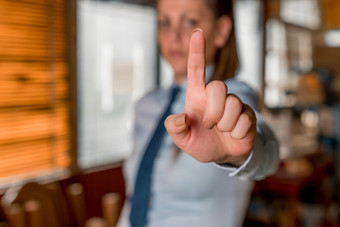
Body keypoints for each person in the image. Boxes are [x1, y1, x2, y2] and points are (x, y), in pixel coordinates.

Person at [117, 0, 279, 226]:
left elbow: (267, 151)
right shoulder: (146, 105)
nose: (173, 35)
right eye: (164, 22)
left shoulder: (233, 98)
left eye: (190, 21)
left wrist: (241, 155)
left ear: (221, 30)